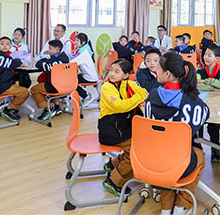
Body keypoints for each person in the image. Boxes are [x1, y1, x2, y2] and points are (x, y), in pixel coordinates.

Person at [144, 52, 209, 215]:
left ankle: (166, 209)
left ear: (167, 74)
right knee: (199, 155)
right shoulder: (194, 102)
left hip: (151, 160)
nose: (156, 71)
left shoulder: (151, 97)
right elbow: (203, 116)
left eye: (158, 68)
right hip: (180, 162)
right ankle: (182, 206)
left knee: (165, 155)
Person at [99, 59, 148, 197]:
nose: (112, 74)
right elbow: (120, 106)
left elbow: (144, 91)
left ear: (125, 75)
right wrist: (138, 98)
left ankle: (112, 165)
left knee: (137, 146)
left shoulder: (127, 83)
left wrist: (140, 96)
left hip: (121, 127)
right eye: (111, 70)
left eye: (116, 71)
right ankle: (113, 181)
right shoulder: (106, 87)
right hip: (110, 130)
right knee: (137, 155)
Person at [197, 44, 220, 162]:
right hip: (202, 102)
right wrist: (214, 87)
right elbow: (195, 84)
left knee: (213, 127)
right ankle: (197, 148)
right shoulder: (201, 71)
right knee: (197, 122)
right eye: (205, 54)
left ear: (217, 58)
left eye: (209, 55)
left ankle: (215, 150)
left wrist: (205, 82)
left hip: (217, 104)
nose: (206, 57)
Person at [0, 36, 29, 122]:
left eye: (7, 44)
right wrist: (19, 62)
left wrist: (16, 63)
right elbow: (12, 63)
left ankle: (11, 107)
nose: (4, 46)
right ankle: (8, 109)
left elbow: (9, 63)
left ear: (10, 46)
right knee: (25, 92)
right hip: (0, 86)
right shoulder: (0, 55)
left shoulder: (0, 54)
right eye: (2, 44)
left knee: (18, 87)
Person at [31, 39, 70, 120]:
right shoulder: (65, 58)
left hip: (54, 86)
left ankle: (47, 109)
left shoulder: (53, 62)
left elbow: (39, 65)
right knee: (46, 81)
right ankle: (57, 106)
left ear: (57, 50)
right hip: (67, 86)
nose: (48, 51)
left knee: (34, 89)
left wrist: (43, 60)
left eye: (50, 49)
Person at [70, 33, 97, 107]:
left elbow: (72, 61)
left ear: (83, 42)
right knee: (72, 79)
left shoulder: (83, 52)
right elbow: (72, 56)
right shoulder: (80, 49)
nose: (75, 42)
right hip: (87, 75)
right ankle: (84, 95)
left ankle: (86, 96)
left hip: (89, 77)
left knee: (71, 82)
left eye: (77, 40)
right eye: (75, 40)